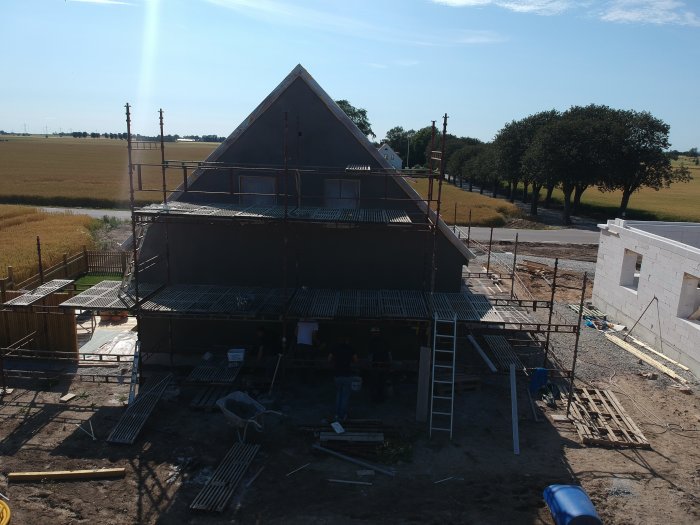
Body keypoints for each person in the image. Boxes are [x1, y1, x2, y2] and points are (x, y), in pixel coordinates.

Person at [328, 335, 358, 421]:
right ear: (347, 341)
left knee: (339, 394)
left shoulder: (335, 348)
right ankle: (343, 414)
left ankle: (337, 414)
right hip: (347, 374)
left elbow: (329, 358)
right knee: (345, 396)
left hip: (337, 374)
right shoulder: (351, 349)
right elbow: (356, 360)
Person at [368, 327, 392, 403]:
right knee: (381, 382)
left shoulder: (372, 341)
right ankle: (380, 398)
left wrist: (370, 364)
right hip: (384, 365)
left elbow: (370, 354)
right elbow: (389, 353)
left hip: (377, 365)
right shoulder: (384, 341)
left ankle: (376, 398)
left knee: (376, 382)